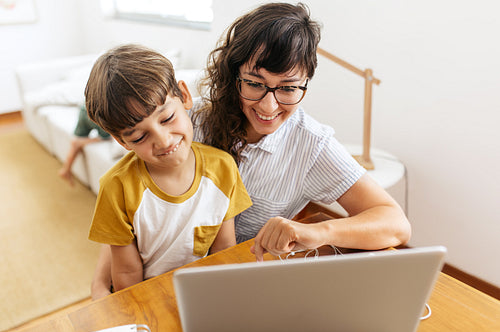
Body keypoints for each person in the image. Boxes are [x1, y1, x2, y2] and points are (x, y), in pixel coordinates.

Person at [91, 2, 411, 299]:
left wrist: (319, 231)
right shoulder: (186, 123)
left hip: (232, 286)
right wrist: (100, 282)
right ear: (234, 75)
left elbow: (395, 224)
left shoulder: (311, 145)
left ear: (306, 82)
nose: (269, 106)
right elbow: (133, 206)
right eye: (255, 84)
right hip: (158, 282)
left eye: (288, 88)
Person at [84, 44, 252, 294]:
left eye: (166, 118)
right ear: (122, 142)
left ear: (184, 95)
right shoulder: (116, 187)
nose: (163, 140)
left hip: (206, 292)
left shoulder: (223, 168)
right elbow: (126, 273)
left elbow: (224, 252)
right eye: (140, 137)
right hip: (148, 296)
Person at [58, 105, 110, 186]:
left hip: (84, 109)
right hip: (97, 113)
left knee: (79, 138)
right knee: (107, 136)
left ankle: (66, 169)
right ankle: (79, 142)